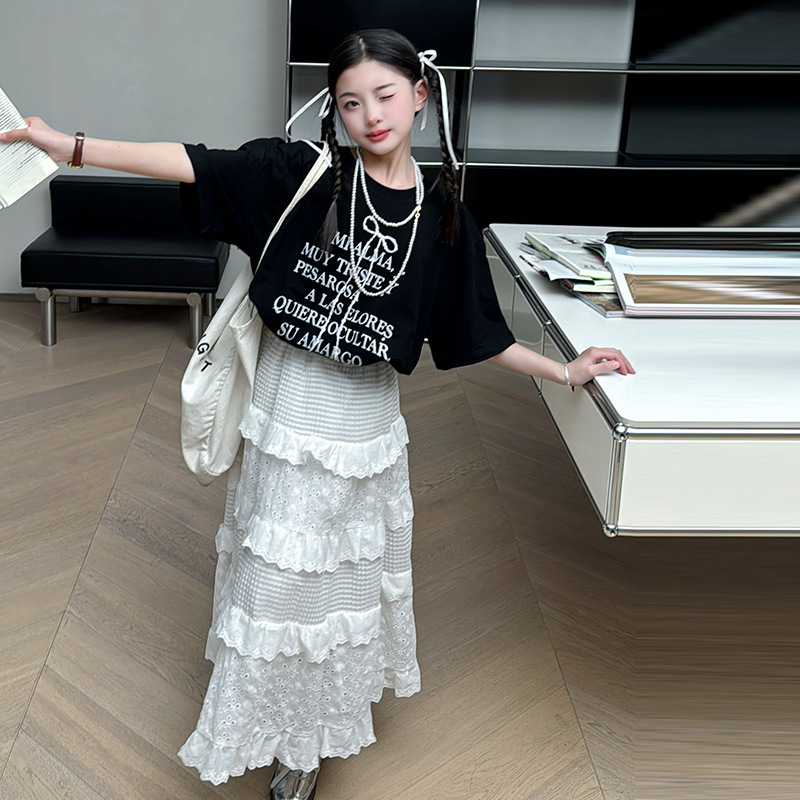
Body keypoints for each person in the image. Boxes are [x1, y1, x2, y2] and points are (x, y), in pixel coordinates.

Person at [2, 28, 634, 800]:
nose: (372, 116)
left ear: (420, 96)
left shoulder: (441, 215)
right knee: (276, 574)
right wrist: (65, 146)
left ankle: (307, 739)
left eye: (386, 96)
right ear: (335, 111)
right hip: (289, 400)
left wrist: (564, 370)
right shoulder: (299, 174)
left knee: (337, 582)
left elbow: (475, 329)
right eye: (351, 102)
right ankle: (274, 726)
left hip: (364, 418)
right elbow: (192, 162)